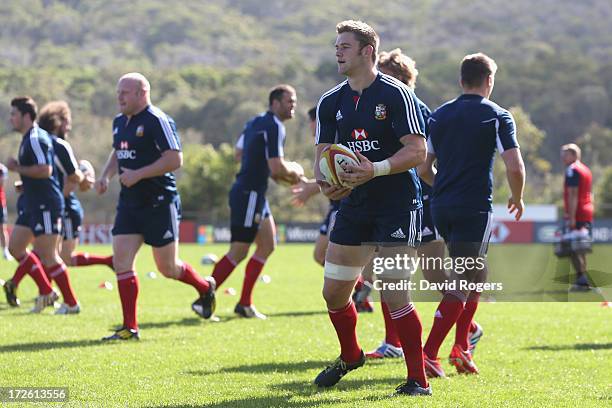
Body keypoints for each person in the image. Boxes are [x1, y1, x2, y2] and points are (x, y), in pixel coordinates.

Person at [313, 20, 430, 396]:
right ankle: (351, 355)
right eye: (336, 46)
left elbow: (417, 150)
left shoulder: (395, 94)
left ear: (367, 51)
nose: (337, 52)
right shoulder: (331, 102)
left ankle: (417, 380)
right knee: (333, 293)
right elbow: (322, 157)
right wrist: (327, 182)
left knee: (394, 291)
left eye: (345, 46)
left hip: (397, 204)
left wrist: (374, 169)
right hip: (355, 205)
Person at [418, 53, 526, 377]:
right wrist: (517, 197)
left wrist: (444, 187)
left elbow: (424, 167)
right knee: (463, 280)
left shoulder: (438, 116)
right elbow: (515, 165)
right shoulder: (497, 116)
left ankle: (461, 348)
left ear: (461, 80)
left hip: (441, 206)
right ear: (489, 80)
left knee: (476, 274)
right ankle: (428, 354)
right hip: (473, 207)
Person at [95, 72, 215, 340]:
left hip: (159, 203)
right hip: (129, 203)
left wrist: (138, 174)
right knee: (122, 261)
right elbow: (118, 151)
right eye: (118, 92)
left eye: (124, 92)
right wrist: (105, 175)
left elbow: (174, 159)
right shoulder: (119, 122)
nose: (119, 97)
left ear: (142, 93)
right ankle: (130, 328)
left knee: (168, 268)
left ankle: (205, 287)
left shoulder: (157, 120)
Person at [211, 84, 301, 320]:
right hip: (249, 193)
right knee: (238, 252)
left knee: (268, 245)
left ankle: (244, 303)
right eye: (289, 101)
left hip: (255, 193)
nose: (294, 105)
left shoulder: (253, 122)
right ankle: (204, 296)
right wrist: (296, 172)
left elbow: (239, 153)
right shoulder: (274, 125)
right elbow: (276, 167)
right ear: (275, 103)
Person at [4, 96, 74, 313]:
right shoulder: (29, 138)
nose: (11, 118)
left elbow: (45, 170)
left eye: (14, 113)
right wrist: (24, 183)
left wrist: (18, 168)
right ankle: (46, 290)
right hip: (33, 203)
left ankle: (72, 303)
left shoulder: (35, 138)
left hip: (46, 203)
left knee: (49, 255)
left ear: (27, 116)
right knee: (15, 247)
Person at [38, 101, 113, 271]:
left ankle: (51, 293)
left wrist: (83, 177)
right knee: (50, 255)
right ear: (59, 121)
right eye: (68, 121)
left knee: (59, 256)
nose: (69, 127)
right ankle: (46, 291)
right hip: (55, 206)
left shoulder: (53, 145)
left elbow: (71, 181)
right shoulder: (53, 145)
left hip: (64, 208)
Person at [290, 107, 340, 267]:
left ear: (317, 122)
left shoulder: (334, 142)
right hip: (335, 207)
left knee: (329, 256)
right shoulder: (324, 143)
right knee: (320, 255)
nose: (310, 126)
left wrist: (312, 187)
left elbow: (336, 177)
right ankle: (360, 286)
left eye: (310, 122)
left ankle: (360, 286)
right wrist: (311, 185)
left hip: (342, 206)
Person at [561, 143, 593, 291]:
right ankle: (583, 279)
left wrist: (571, 217)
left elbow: (573, 194)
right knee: (580, 247)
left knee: (573, 247)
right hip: (587, 211)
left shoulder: (572, 170)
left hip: (577, 213)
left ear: (574, 155)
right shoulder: (585, 169)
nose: (562, 157)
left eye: (565, 154)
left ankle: (581, 280)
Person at [0, 163, 10, 259]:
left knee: (2, 228)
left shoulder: (2, 168)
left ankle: (6, 251)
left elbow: (2, 182)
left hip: (0, 203)